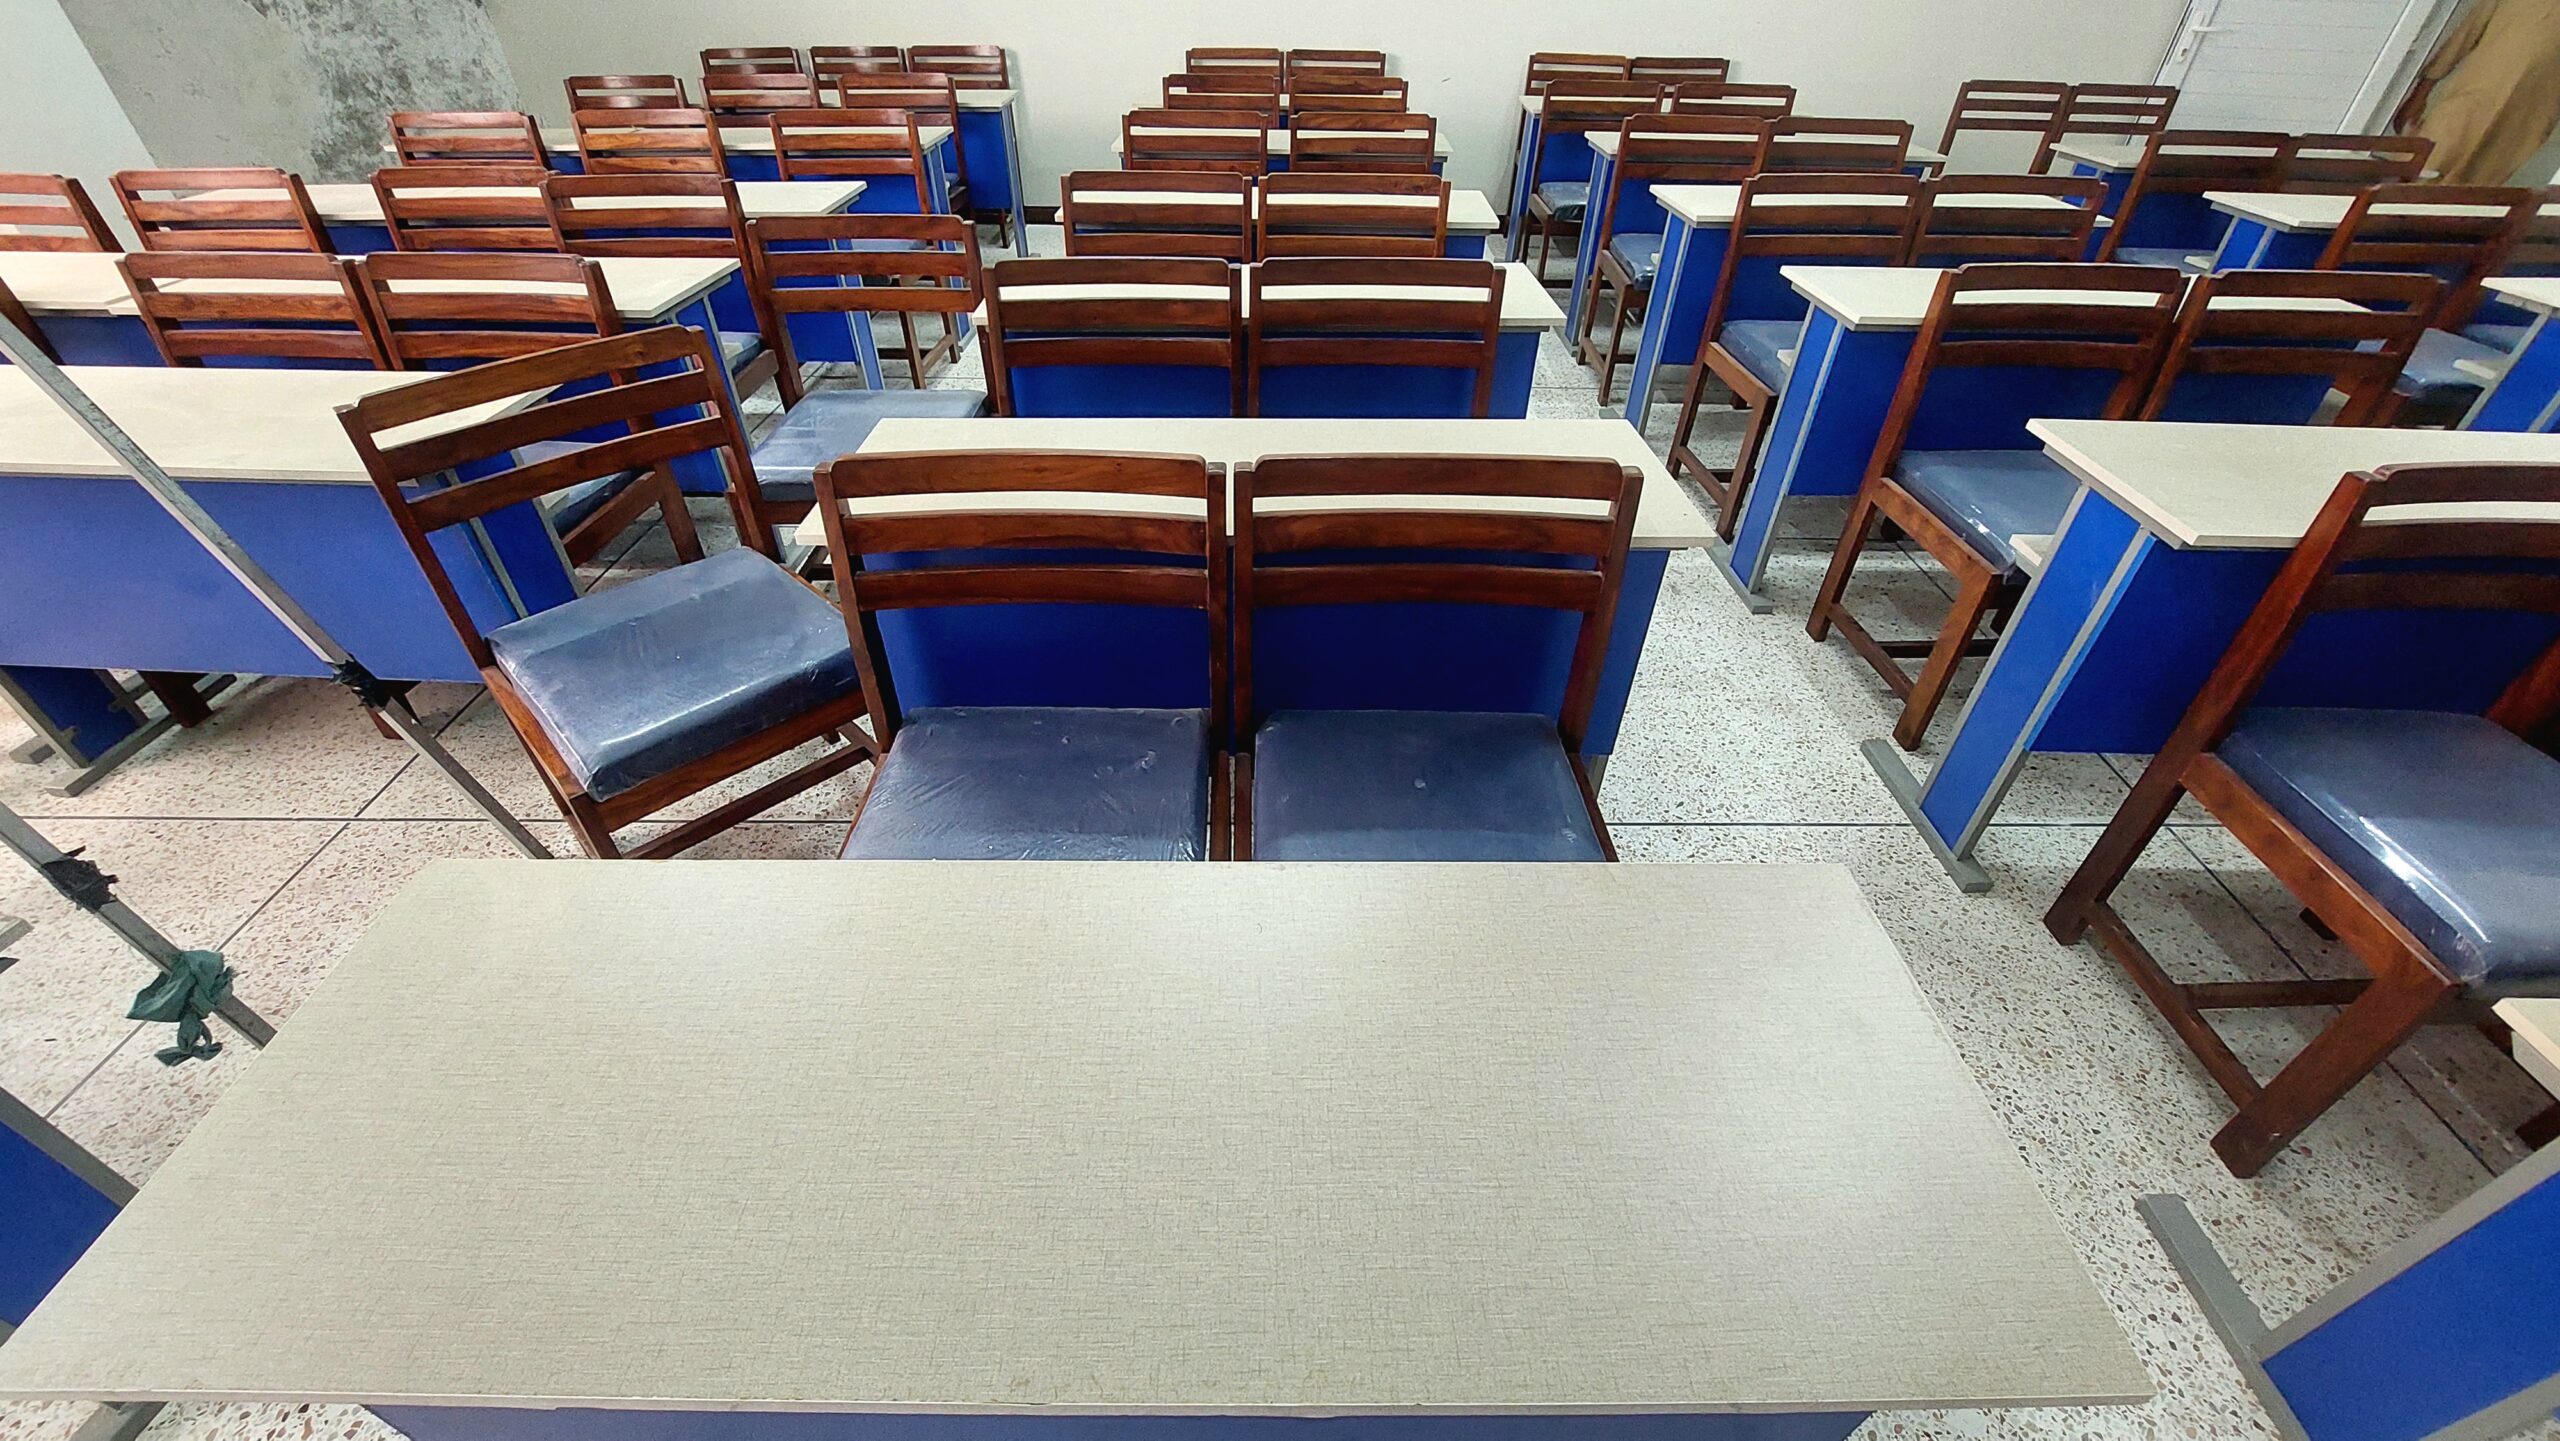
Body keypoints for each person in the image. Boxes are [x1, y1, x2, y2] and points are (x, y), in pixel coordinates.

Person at [2401, 0, 2560, 183]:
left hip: (2524, 125)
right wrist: (2420, 95)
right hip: (2468, 103)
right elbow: (2466, 34)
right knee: (2419, 169)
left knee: (2470, 194)